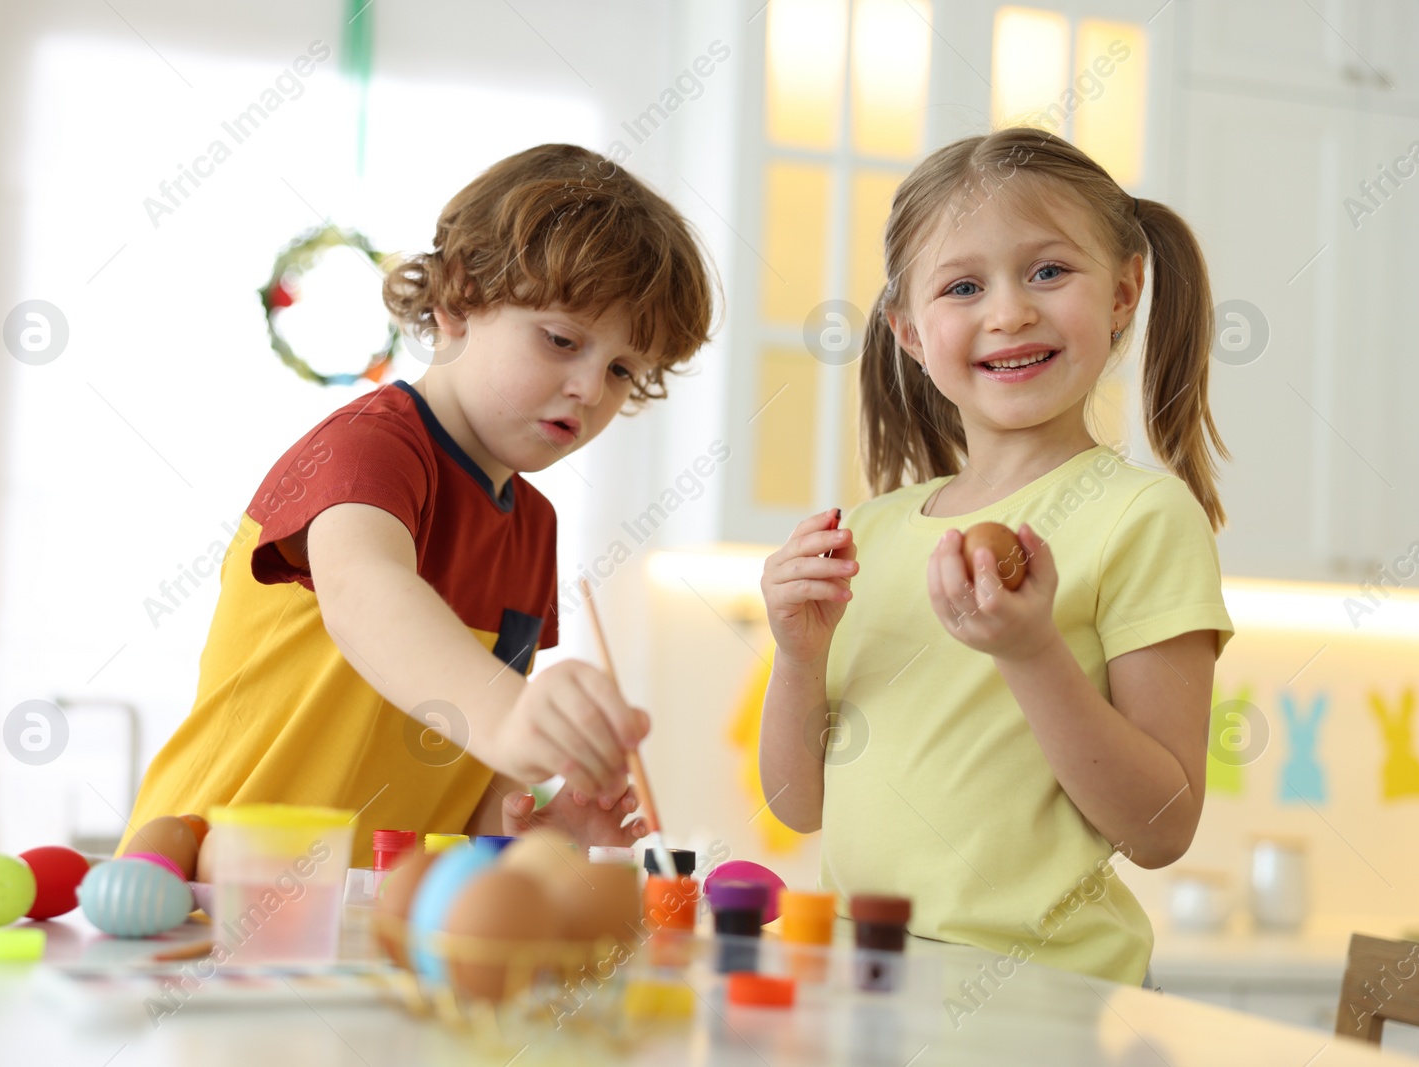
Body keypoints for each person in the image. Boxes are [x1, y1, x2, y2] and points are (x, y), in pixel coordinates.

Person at [122, 144, 716, 867]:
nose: (591, 389)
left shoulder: (533, 528)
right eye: (562, 340)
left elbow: (470, 792)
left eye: (623, 369)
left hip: (364, 924)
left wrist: (538, 830)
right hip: (200, 888)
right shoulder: (369, 447)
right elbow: (364, 593)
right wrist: (512, 719)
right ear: (459, 299)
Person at [758, 127, 1234, 986]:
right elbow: (800, 806)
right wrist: (798, 654)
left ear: (1125, 291)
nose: (1009, 310)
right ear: (909, 331)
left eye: (1049, 271)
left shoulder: (1142, 516)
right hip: (867, 985)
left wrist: (1030, 650)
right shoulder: (870, 532)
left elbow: (1162, 829)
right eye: (964, 285)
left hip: (1044, 999)